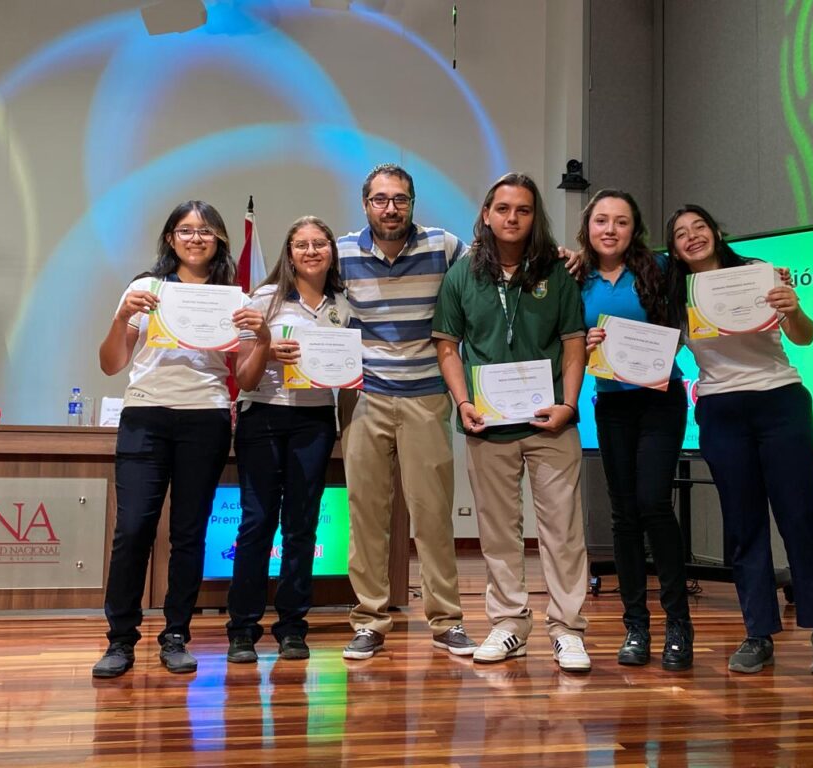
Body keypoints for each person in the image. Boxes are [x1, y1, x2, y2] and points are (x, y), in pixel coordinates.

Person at [663, 203, 813, 675]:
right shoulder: (675, 295)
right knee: (743, 526)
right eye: (680, 234)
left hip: (780, 401)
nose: (692, 237)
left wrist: (795, 308)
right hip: (721, 411)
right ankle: (757, 633)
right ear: (675, 249)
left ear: (717, 230)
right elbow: (657, 350)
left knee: (801, 517)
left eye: (699, 226)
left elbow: (803, 337)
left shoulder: (759, 273)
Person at [92, 200, 270, 678]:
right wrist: (120, 317)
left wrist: (263, 338)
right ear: (170, 238)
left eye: (207, 231)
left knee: (189, 535)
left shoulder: (235, 299)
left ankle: (175, 634)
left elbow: (248, 379)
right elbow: (112, 364)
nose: (196, 238)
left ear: (220, 242)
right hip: (146, 415)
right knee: (132, 531)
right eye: (186, 230)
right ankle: (120, 639)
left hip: (206, 418)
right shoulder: (144, 289)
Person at [433, 172, 591, 672]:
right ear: (486, 214)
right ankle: (508, 625)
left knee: (563, 531)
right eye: (502, 208)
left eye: (522, 210)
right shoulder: (462, 275)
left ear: (533, 217)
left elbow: (573, 343)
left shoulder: (557, 272)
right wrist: (462, 403)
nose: (512, 218)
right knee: (498, 532)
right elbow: (447, 347)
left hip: (552, 424)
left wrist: (568, 405)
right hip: (487, 425)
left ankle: (567, 629)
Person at [337, 164, 476, 660]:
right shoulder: (342, 252)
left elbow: (497, 268)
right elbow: (302, 293)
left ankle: (446, 621)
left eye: (399, 199)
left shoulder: (445, 246)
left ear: (413, 203)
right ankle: (370, 620)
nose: (390, 208)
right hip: (365, 397)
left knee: (433, 514)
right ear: (366, 204)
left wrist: (561, 258)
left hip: (425, 396)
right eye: (380, 199)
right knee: (366, 515)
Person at [225, 216, 350, 663]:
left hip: (315, 421)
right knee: (257, 524)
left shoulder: (343, 303)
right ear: (289, 252)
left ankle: (293, 627)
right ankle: (242, 628)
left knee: (301, 527)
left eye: (320, 242)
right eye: (302, 244)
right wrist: (264, 347)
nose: (312, 251)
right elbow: (243, 376)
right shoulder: (263, 299)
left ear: (332, 251)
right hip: (262, 418)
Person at [578, 189, 694, 670]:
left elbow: (712, 281)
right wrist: (584, 344)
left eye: (621, 221)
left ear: (634, 228)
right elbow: (563, 343)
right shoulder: (575, 278)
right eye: (601, 220)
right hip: (611, 406)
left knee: (653, 505)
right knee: (624, 515)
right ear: (588, 227)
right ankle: (636, 627)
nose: (610, 229)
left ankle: (677, 625)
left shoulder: (662, 268)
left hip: (660, 401)